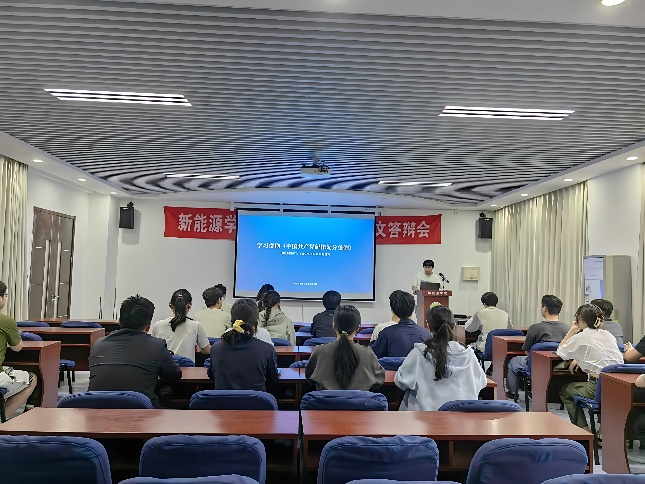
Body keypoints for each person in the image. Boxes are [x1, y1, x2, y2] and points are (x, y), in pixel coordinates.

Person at [88, 295, 182, 408]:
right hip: (140, 413)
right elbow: (174, 375)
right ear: (148, 326)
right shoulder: (157, 346)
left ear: (119, 322)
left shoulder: (98, 344)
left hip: (97, 411)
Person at [395, 305, 487, 411]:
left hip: (428, 418)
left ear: (428, 326)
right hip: (463, 417)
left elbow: (401, 381)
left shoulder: (420, 352)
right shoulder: (467, 353)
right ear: (454, 325)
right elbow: (482, 382)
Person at [557, 304, 623, 430]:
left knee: (564, 390)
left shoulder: (581, 337)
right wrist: (578, 358)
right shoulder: (608, 335)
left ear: (581, 320)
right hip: (618, 386)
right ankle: (602, 432)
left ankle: (584, 430)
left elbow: (561, 352)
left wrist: (572, 330)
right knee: (605, 397)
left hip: (597, 387)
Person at [306, 305, 385, 391]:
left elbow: (309, 377)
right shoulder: (368, 353)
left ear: (334, 326)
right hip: (359, 400)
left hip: (326, 399)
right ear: (357, 328)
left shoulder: (319, 351)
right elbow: (379, 380)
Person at [209, 298, 280, 391]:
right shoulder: (267, 349)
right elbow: (273, 381)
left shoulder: (216, 348)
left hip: (223, 400)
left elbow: (211, 375)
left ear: (232, 320)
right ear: (256, 322)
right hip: (255, 400)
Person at [506, 295, 569, 397]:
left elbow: (527, 351)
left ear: (544, 309)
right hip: (560, 367)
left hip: (535, 367)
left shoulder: (535, 328)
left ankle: (513, 393)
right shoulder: (568, 329)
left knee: (513, 361)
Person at [0, 281, 38, 418]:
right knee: (32, 378)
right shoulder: (6, 321)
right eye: (6, 295)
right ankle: (3, 418)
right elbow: (17, 348)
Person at [151, 289, 210, 361]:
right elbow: (207, 350)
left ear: (170, 305)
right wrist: (198, 348)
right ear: (189, 306)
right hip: (188, 368)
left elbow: (153, 351)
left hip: (164, 367)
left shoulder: (158, 325)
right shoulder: (195, 325)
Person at [370, 290, 431, 358]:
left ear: (392, 310)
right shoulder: (426, 334)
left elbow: (372, 355)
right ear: (413, 309)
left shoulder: (386, 333)